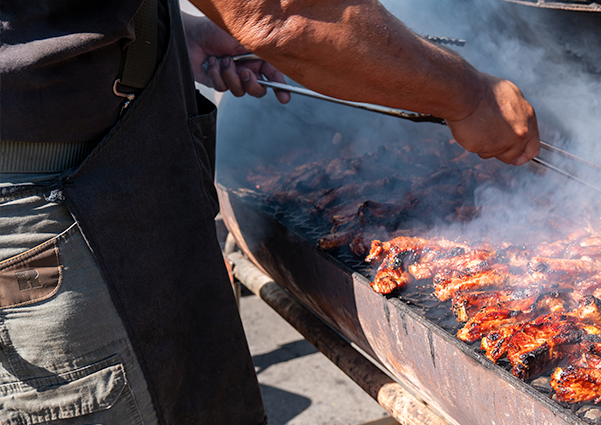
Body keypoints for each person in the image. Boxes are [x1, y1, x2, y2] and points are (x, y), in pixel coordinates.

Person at [0, 1, 539, 424]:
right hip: (53, 212)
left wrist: (164, 35)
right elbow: (281, 13)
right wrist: (468, 97)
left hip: (95, 183)